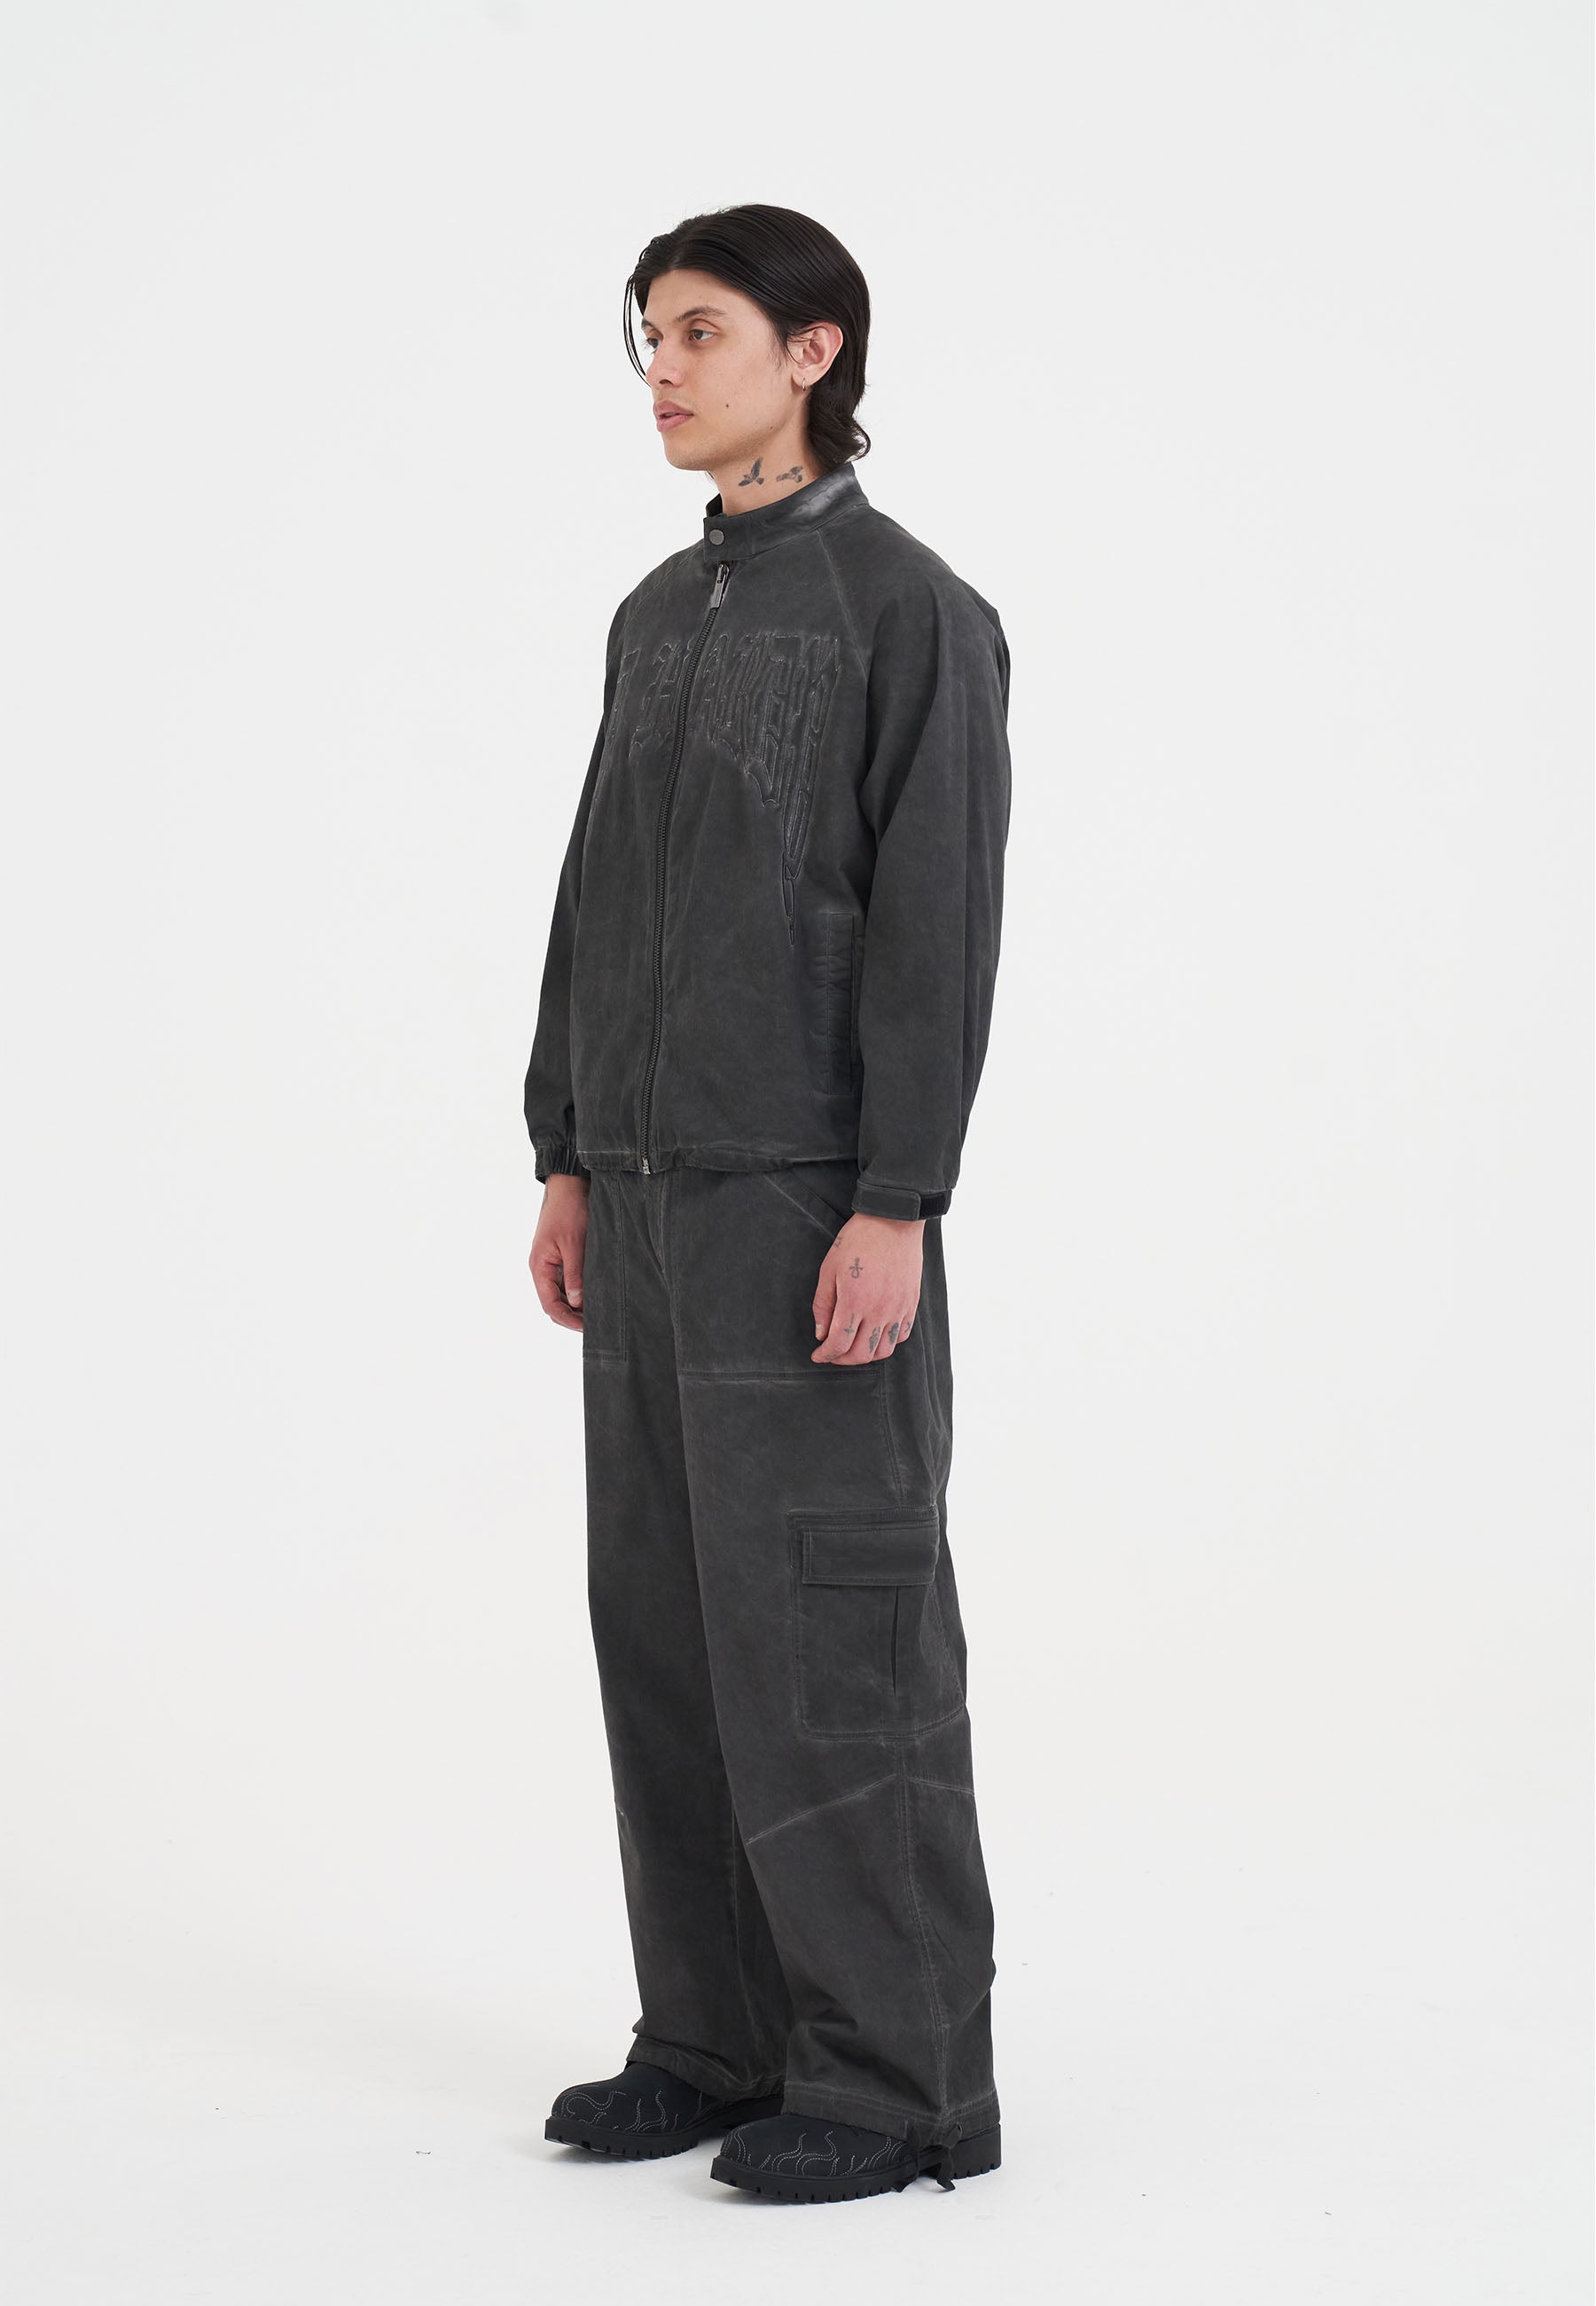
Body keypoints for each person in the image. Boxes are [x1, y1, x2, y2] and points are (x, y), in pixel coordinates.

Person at [524, 204, 1013, 2205]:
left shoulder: (912, 611)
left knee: (832, 1635)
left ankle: (898, 2084)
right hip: (642, 1207)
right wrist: (564, 1146)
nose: (664, 366)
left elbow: (936, 924)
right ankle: (717, 2039)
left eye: (703, 331)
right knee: (665, 1629)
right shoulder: (658, 611)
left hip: (807, 1207)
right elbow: (592, 890)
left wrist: (899, 1195)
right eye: (650, 333)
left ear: (815, 352)